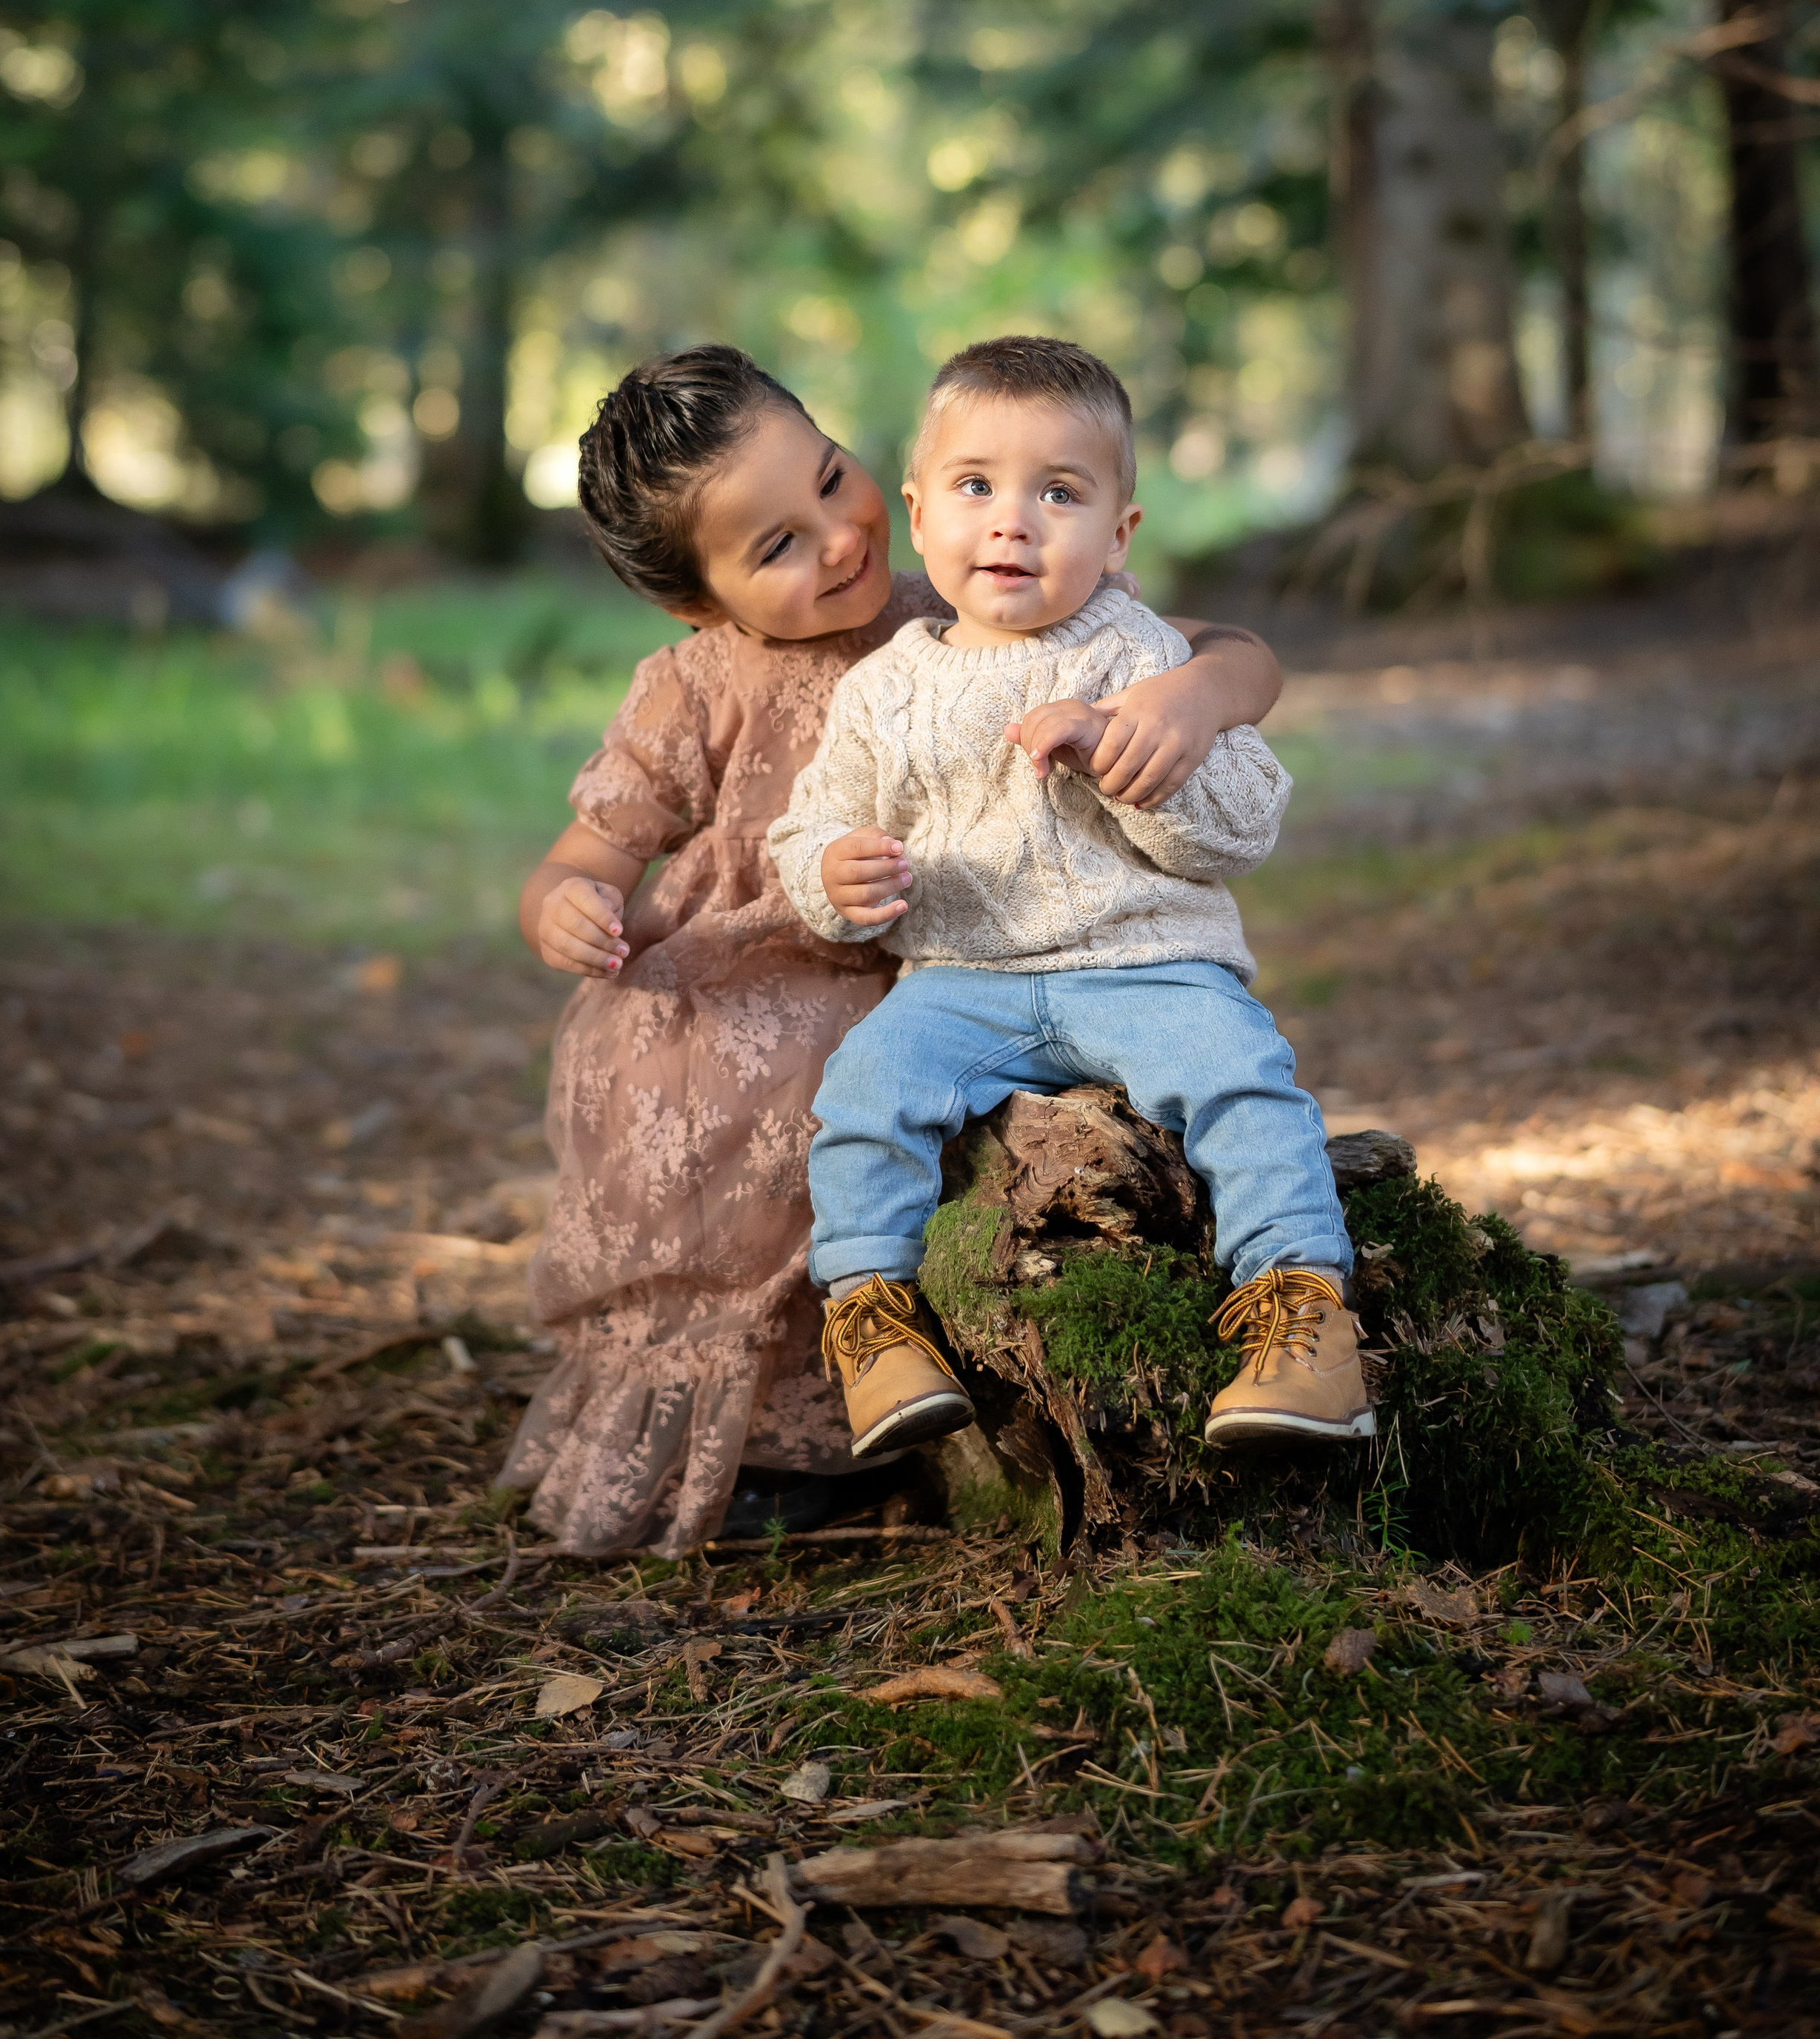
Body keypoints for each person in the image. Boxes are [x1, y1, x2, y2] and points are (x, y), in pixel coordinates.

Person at [498, 342, 1287, 1555]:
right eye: (774, 546)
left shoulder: (963, 593)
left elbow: (1232, 648)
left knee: (896, 1083)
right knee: (757, 1113)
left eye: (829, 477)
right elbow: (584, 858)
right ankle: (775, 1446)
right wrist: (563, 906)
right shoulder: (691, 687)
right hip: (749, 986)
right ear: (695, 601)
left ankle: (933, 1396)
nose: (836, 539)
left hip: (949, 969)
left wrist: (1193, 699)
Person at [767, 334, 1371, 1466]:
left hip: (1149, 966)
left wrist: (1130, 756)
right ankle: (871, 1318)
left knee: (1244, 1080)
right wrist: (833, 874)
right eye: (976, 485)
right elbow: (809, 826)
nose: (1013, 520)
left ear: (1120, 531)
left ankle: (1304, 1315)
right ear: (918, 509)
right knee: (865, 1090)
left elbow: (1243, 830)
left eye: (1059, 492)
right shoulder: (884, 687)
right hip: (961, 982)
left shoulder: (1141, 651)